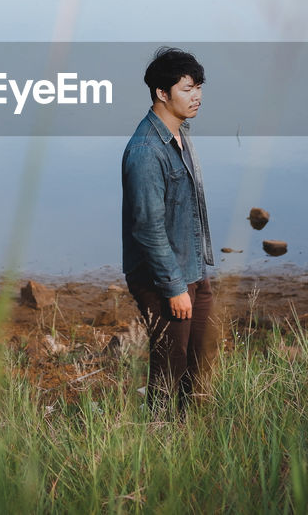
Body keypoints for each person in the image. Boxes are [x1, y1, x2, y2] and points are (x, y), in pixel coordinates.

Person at [121, 46, 215, 415]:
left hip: (192, 269)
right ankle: (160, 444)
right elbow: (147, 228)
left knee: (201, 361)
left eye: (199, 87)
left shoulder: (180, 135)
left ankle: (191, 440)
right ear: (162, 93)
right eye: (187, 88)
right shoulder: (146, 150)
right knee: (169, 372)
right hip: (163, 279)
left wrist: (197, 276)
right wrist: (175, 288)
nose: (197, 96)